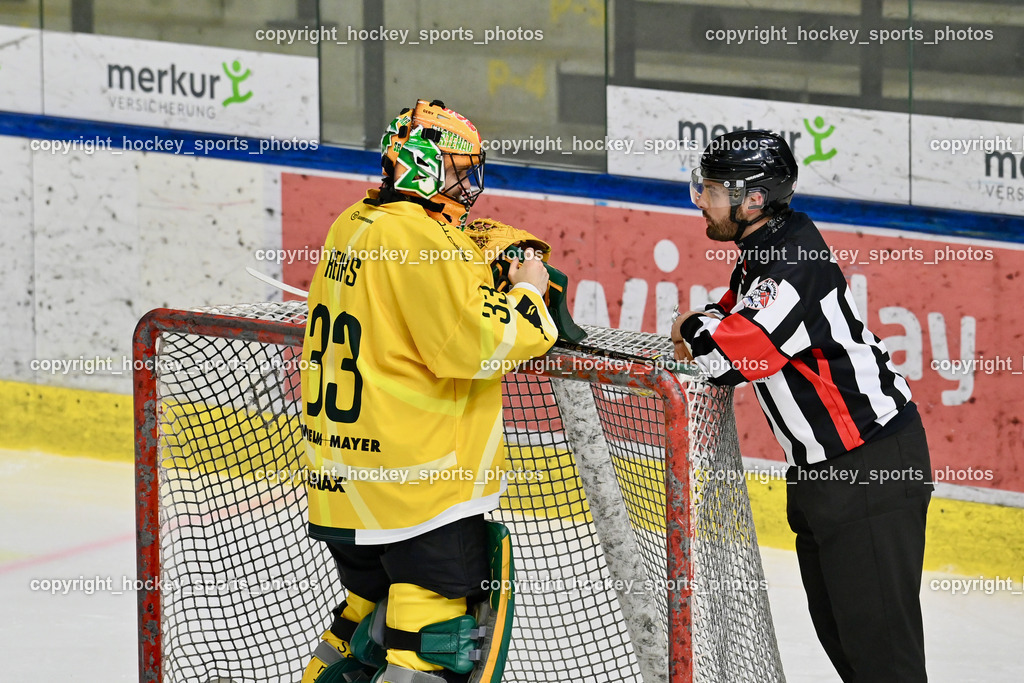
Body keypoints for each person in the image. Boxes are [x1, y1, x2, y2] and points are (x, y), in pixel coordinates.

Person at [298, 99, 557, 683]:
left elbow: (411, 303)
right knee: (430, 646)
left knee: (363, 621)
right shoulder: (419, 240)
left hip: (343, 482)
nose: (468, 184)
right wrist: (529, 294)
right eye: (458, 168)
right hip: (418, 487)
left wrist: (467, 257)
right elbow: (477, 343)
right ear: (423, 164)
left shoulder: (354, 222)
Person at [671, 130, 932, 682]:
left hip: (870, 468)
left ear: (753, 199)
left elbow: (729, 356)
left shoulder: (791, 260)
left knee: (886, 662)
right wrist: (711, 325)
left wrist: (700, 327)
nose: (700, 199)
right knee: (848, 645)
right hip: (824, 476)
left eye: (712, 189)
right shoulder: (767, 246)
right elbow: (729, 319)